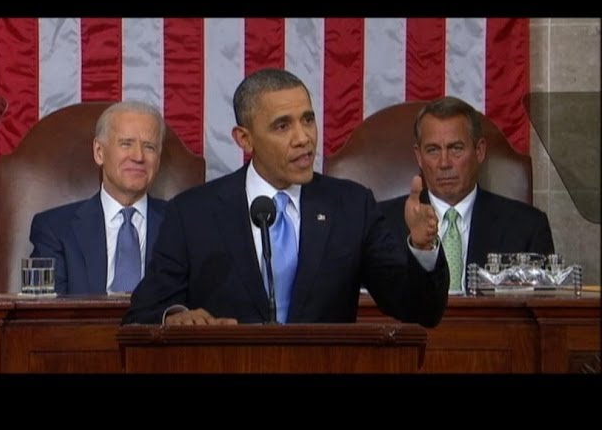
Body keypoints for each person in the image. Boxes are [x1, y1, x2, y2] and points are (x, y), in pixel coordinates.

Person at [123, 68, 449, 327]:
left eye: (308, 119)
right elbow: (143, 313)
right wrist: (177, 317)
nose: (303, 138)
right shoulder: (193, 213)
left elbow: (418, 311)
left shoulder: (351, 206)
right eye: (282, 126)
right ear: (245, 139)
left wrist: (423, 248)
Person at [379, 96, 554, 293]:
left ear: (479, 151)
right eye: (433, 150)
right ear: (419, 157)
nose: (444, 163)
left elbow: (542, 305)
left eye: (456, 148)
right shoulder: (381, 223)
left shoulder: (528, 227)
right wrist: (419, 249)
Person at [29, 101, 168, 295]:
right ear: (99, 152)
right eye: (126, 143)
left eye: (149, 147)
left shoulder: (183, 224)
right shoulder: (54, 229)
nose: (138, 156)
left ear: (158, 159)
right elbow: (44, 310)